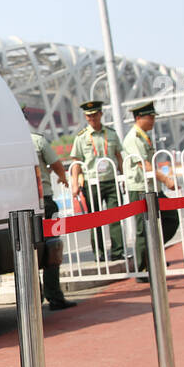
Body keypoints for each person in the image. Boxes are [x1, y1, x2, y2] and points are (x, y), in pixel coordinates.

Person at [121, 101, 180, 283]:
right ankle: (142, 269)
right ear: (139, 118)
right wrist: (166, 179)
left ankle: (153, 255)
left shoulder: (143, 136)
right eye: (150, 117)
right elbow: (144, 165)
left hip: (152, 188)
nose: (153, 120)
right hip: (140, 189)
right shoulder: (133, 138)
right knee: (141, 230)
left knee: (171, 219)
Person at [69, 100, 125, 264]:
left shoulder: (111, 134)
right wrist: (75, 184)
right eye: (89, 116)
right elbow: (76, 163)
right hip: (92, 183)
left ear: (101, 114)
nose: (92, 118)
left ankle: (118, 251)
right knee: (95, 219)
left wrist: (123, 176)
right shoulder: (81, 137)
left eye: (95, 115)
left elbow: (119, 157)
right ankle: (99, 253)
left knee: (115, 217)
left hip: (111, 180)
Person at [30, 131, 75, 309]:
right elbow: (56, 163)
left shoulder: (6, 141)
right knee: (53, 247)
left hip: (20, 205)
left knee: (26, 251)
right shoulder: (37, 140)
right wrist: (63, 177)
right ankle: (54, 296)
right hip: (45, 201)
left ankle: (33, 297)